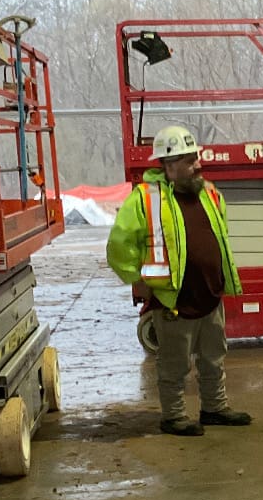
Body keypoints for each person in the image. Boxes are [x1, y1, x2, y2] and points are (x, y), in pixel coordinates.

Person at [106, 124, 252, 437]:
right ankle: (173, 417)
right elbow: (119, 245)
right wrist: (137, 278)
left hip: (210, 294)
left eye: (195, 157)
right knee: (175, 364)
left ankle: (215, 408)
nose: (197, 164)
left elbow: (220, 234)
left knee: (214, 358)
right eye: (188, 160)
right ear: (169, 166)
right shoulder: (144, 198)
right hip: (173, 299)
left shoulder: (209, 192)